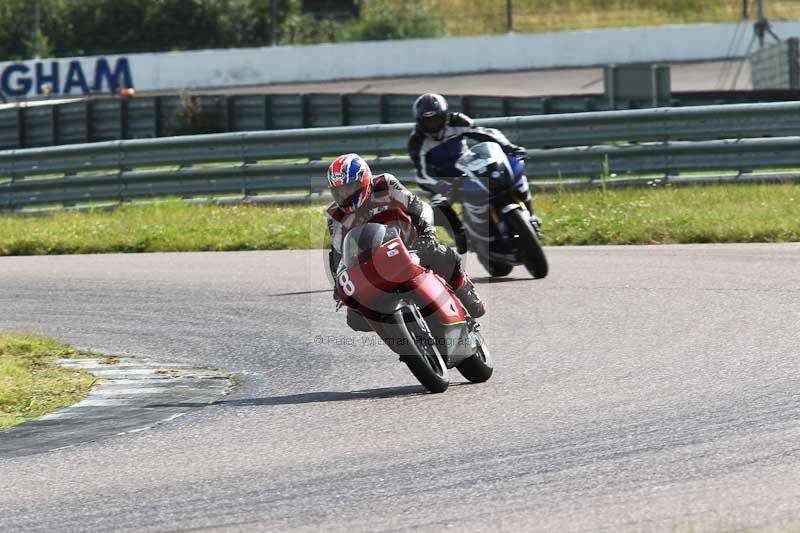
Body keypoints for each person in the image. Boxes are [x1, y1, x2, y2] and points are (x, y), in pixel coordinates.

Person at [325, 153, 486, 331]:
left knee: (440, 254)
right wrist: (339, 285)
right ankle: (399, 337)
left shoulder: (384, 184)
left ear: (364, 179)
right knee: (355, 319)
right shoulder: (336, 215)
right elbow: (337, 252)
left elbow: (416, 205)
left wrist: (427, 234)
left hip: (410, 246)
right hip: (373, 264)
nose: (345, 194)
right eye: (339, 191)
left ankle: (464, 289)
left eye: (349, 187)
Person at [407, 93, 540, 253]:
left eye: (435, 120)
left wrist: (508, 146)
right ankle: (460, 234)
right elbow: (422, 175)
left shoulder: (457, 121)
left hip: (468, 167)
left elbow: (485, 133)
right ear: (419, 122)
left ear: (444, 116)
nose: (432, 125)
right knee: (438, 204)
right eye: (427, 122)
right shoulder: (416, 141)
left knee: (511, 175)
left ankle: (530, 215)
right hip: (443, 181)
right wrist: (442, 185)